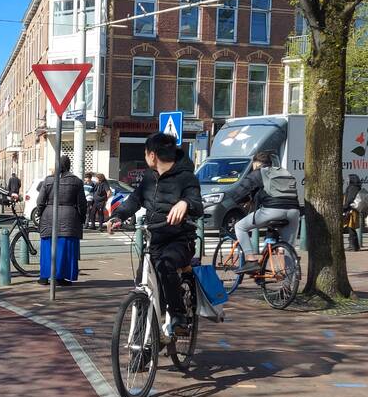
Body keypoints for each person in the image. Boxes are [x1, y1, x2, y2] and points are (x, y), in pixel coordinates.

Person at [107, 133, 203, 330]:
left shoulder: (186, 178)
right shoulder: (149, 177)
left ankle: (178, 315)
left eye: (145, 153)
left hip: (180, 239)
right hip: (154, 240)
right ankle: (143, 341)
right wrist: (117, 216)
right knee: (142, 284)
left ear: (152, 155)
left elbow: (197, 204)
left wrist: (185, 203)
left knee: (166, 265)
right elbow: (134, 200)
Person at [219, 151, 302, 273]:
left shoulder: (259, 172)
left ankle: (251, 260)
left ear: (257, 164)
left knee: (240, 227)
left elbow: (241, 189)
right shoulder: (284, 172)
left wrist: (233, 201)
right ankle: (290, 285)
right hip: (294, 211)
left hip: (272, 211)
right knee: (288, 248)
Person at [36, 155, 87, 286]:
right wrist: (82, 217)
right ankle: (60, 277)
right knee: (65, 249)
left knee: (48, 248)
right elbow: (82, 203)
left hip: (49, 216)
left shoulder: (48, 180)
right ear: (69, 165)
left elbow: (40, 201)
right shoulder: (76, 181)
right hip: (69, 218)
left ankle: (44, 276)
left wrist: (41, 214)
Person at [343, 173, 363, 252]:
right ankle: (355, 245)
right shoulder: (356, 187)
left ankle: (353, 246)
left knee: (351, 228)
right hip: (354, 209)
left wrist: (345, 207)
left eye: (349, 179)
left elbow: (350, 198)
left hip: (351, 210)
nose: (347, 180)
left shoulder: (352, 188)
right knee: (351, 228)